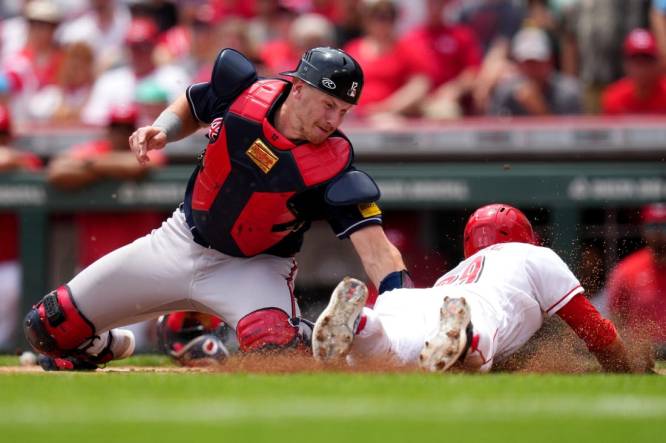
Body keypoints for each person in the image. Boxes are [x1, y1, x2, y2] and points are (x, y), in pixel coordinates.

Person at [24, 46, 408, 370]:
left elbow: (376, 249)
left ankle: (306, 335)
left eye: (343, 111)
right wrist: (164, 129)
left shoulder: (334, 165)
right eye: (328, 104)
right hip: (178, 241)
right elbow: (195, 101)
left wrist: (403, 312)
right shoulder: (246, 95)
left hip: (254, 266)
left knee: (274, 348)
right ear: (298, 88)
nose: (333, 120)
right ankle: (113, 343)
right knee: (48, 327)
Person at [312, 203, 637, 374]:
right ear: (523, 235)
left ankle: (364, 324)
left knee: (389, 352)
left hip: (413, 300)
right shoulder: (534, 255)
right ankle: (467, 339)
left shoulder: (455, 273)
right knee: (476, 352)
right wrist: (627, 371)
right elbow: (595, 330)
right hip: (473, 309)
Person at [607, 203, 666, 360]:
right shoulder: (627, 269)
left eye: (663, 225)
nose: (659, 232)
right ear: (644, 229)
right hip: (643, 354)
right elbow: (615, 318)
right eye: (653, 226)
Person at [488, 27, 582, 116]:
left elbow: (571, 131)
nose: (532, 69)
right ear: (517, 64)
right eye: (527, 63)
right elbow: (494, 129)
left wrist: (540, 110)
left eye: (536, 62)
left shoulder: (568, 93)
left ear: (549, 61)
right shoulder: (505, 92)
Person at [601, 29, 666, 114]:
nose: (642, 69)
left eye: (647, 61)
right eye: (637, 62)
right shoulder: (614, 98)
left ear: (657, 63)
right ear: (626, 65)